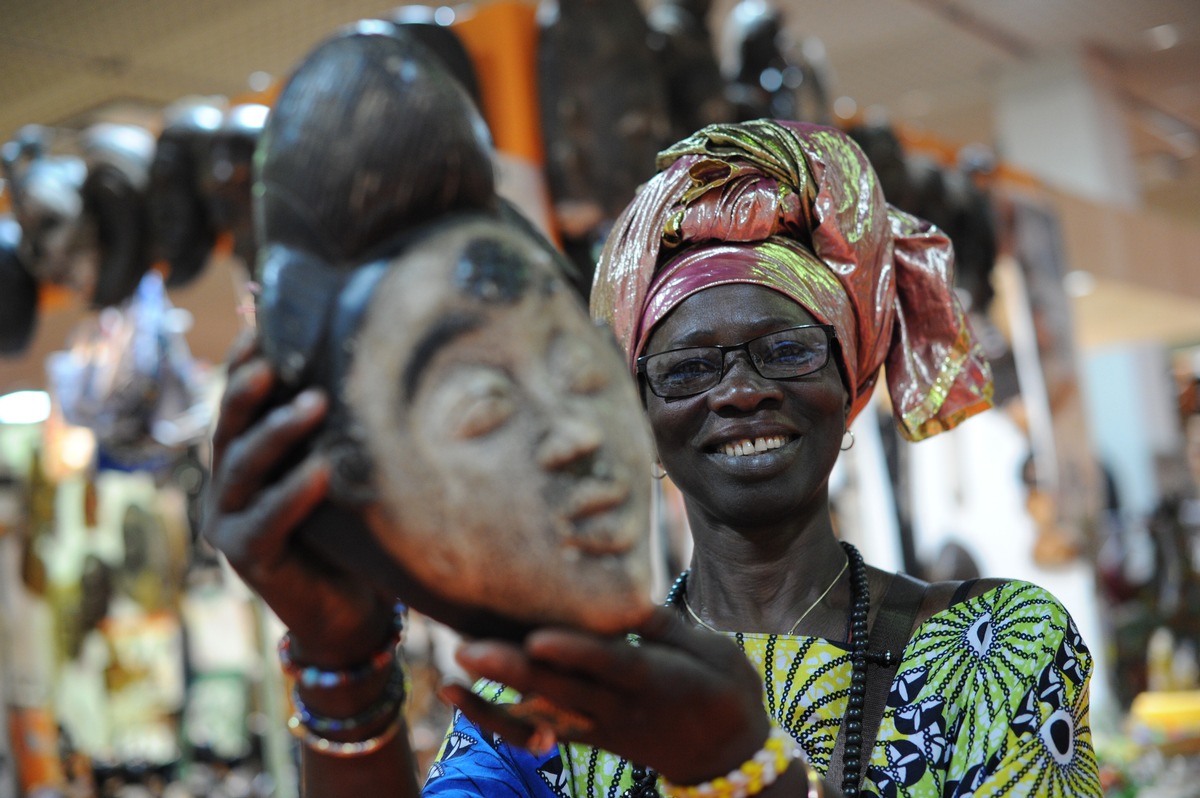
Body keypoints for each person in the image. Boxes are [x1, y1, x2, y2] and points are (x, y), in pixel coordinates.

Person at [205, 118, 1101, 797]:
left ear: (851, 380)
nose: (740, 390)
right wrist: (342, 663)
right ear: (640, 416)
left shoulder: (995, 649)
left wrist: (737, 771)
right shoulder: (572, 687)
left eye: (786, 351)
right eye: (687, 368)